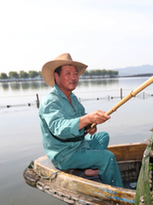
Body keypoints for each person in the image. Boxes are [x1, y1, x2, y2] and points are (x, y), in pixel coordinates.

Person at [38, 53, 123, 187]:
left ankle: (89, 171)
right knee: (108, 157)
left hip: (79, 145)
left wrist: (90, 125)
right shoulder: (50, 101)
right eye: (68, 73)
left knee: (103, 136)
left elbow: (83, 119)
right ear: (56, 76)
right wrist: (87, 118)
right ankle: (119, 192)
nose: (73, 77)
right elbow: (59, 128)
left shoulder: (73, 98)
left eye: (75, 74)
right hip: (65, 155)